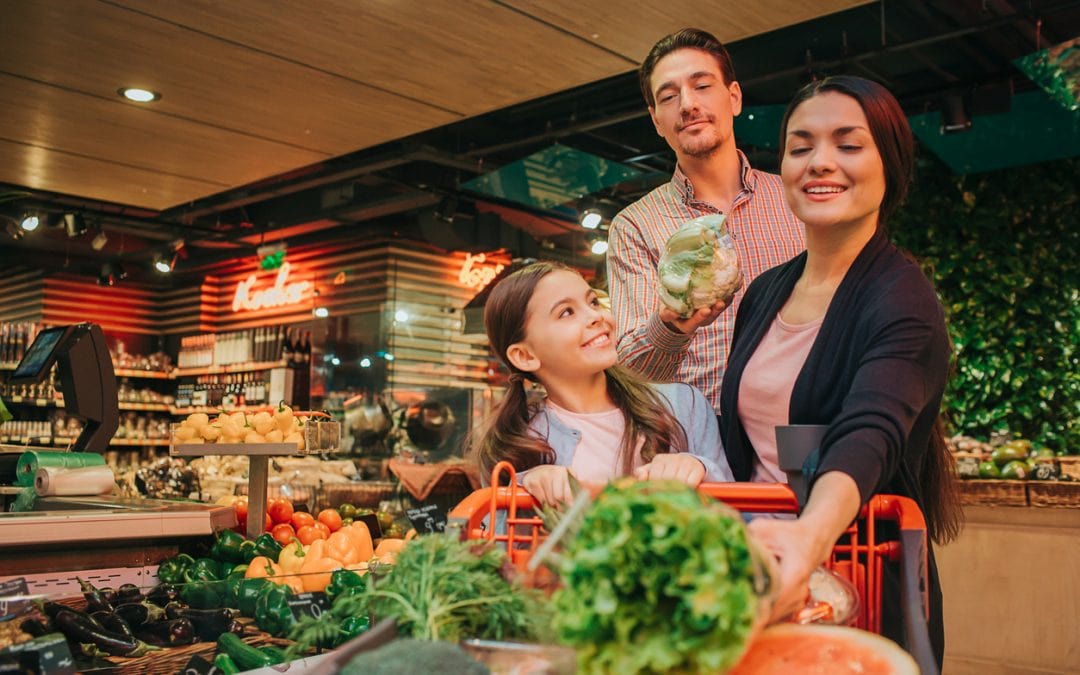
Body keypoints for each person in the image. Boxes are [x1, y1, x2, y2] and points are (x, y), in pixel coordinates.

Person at [718, 75, 962, 665]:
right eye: (800, 147)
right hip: (760, 573)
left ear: (891, 165)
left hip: (855, 576)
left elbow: (869, 430)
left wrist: (807, 535)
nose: (819, 163)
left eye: (848, 145)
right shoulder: (764, 291)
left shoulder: (902, 299)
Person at [609, 28, 805, 411]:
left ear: (733, 97)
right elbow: (630, 373)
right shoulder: (635, 226)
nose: (687, 104)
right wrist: (670, 325)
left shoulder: (795, 201)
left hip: (799, 426)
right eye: (668, 96)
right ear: (656, 120)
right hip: (696, 443)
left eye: (701, 86)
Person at [472, 261, 731, 506]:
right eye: (566, 312)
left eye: (593, 302)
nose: (596, 316)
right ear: (525, 356)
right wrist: (526, 487)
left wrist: (700, 468)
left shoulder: (683, 405)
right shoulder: (515, 444)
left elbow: (740, 516)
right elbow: (500, 545)